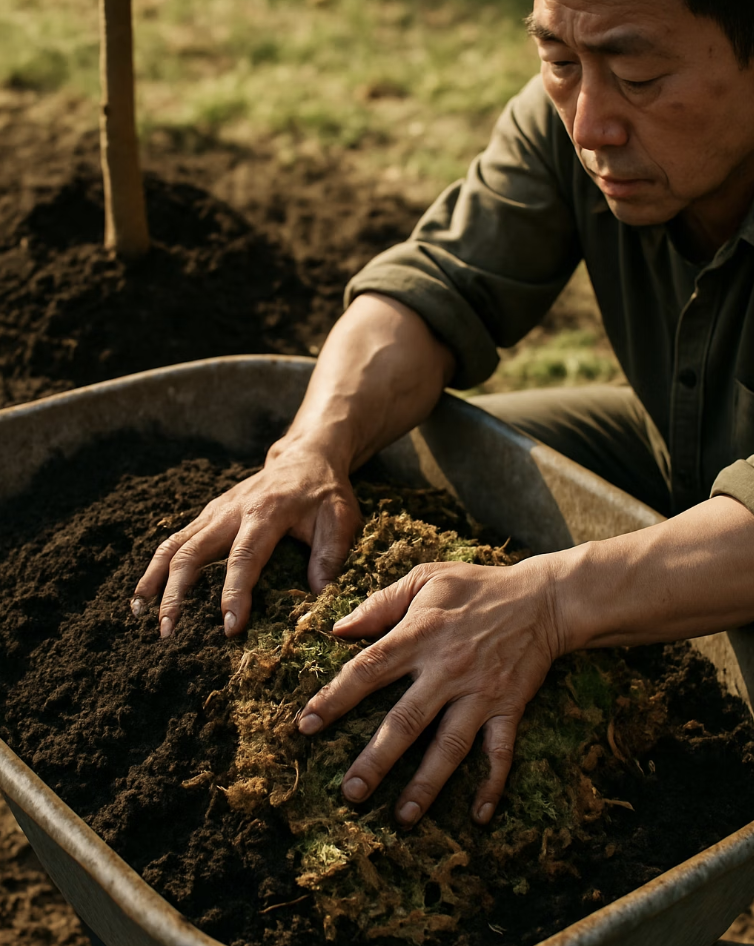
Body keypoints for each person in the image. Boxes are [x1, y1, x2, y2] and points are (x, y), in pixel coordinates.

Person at [131, 0, 754, 831]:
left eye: (639, 76)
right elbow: (438, 286)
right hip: (683, 453)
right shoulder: (575, 117)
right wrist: (310, 450)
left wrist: (551, 602)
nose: (591, 123)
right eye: (559, 61)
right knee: (412, 453)